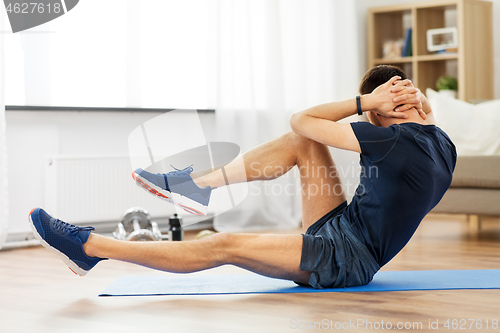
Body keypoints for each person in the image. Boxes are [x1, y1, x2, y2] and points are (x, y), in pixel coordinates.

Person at [29, 65, 456, 289]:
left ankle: (91, 247)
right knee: (300, 143)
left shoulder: (391, 141)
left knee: (223, 244)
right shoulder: (443, 143)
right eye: (402, 90)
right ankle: (199, 187)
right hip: (341, 228)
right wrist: (392, 100)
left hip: (346, 259)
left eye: (401, 93)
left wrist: (365, 101)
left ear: (382, 118)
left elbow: (303, 117)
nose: (405, 95)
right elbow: (304, 131)